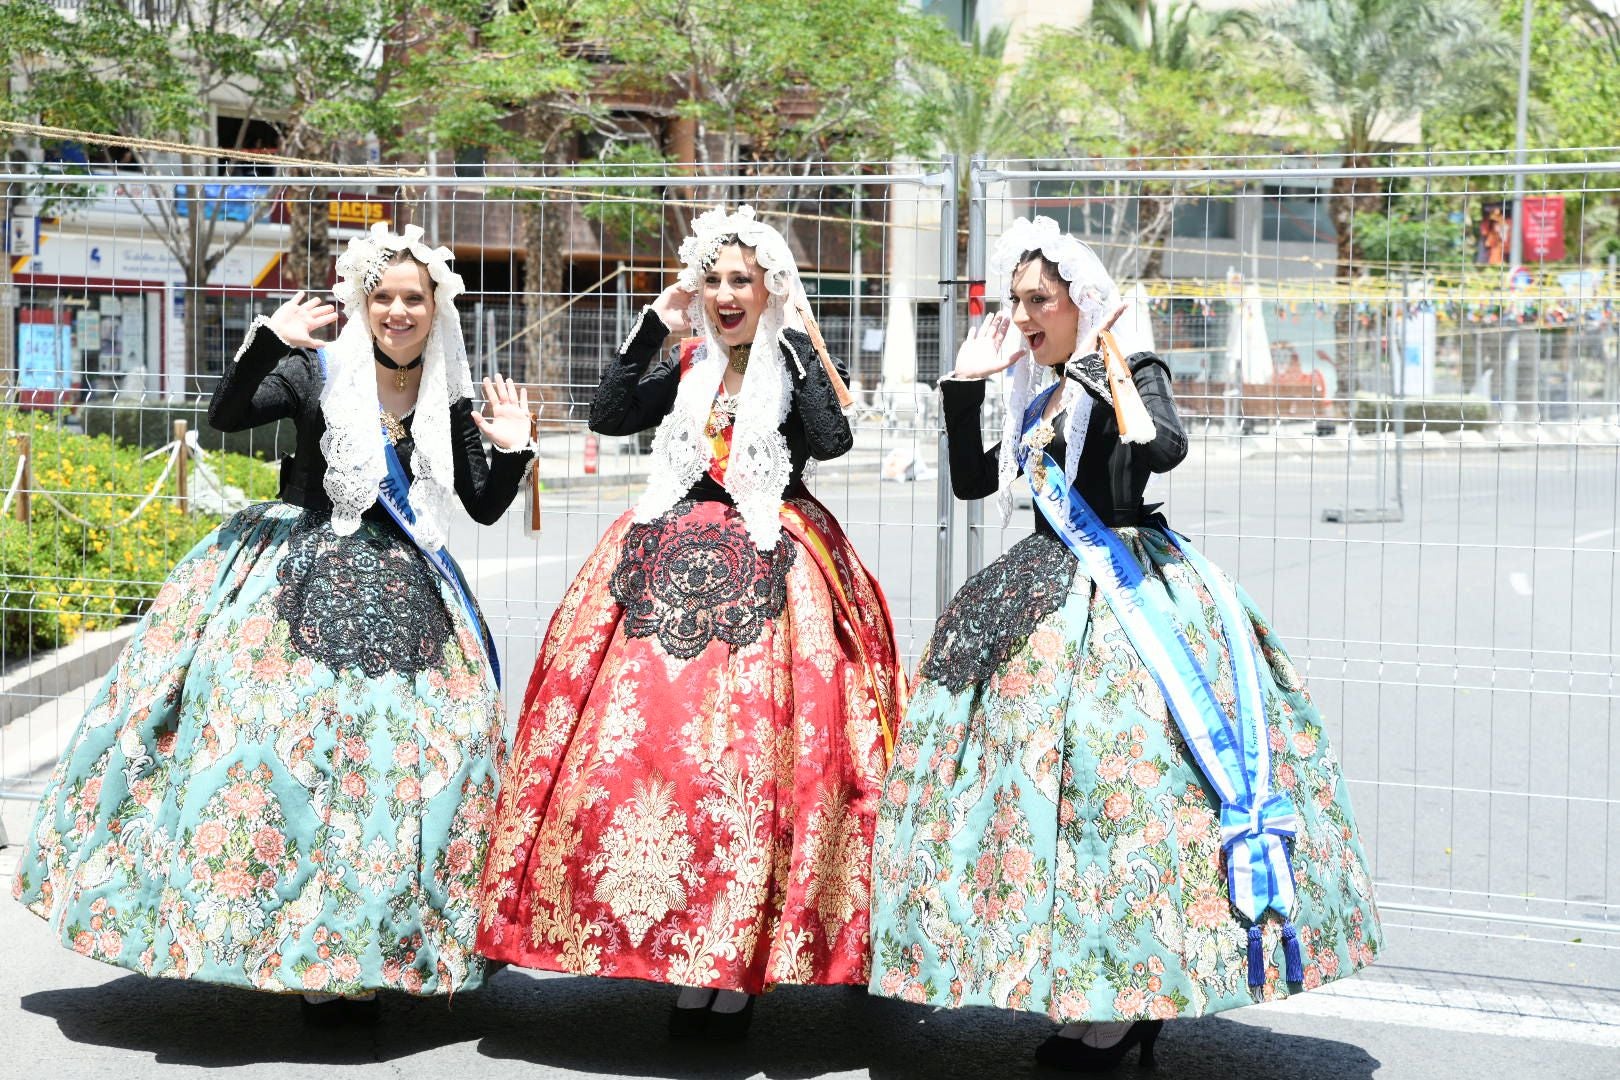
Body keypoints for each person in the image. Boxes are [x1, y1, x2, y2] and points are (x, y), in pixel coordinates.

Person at [867, 216, 1380, 1071]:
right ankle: (1077, 986)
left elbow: (1162, 452)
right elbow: (970, 481)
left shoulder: (1130, 370)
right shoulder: (1036, 390)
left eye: (1040, 300)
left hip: (1132, 594)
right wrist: (966, 384)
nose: (1024, 315)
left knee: (1124, 796)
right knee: (1037, 802)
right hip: (1041, 592)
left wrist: (1110, 368)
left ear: (1081, 302)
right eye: (1015, 301)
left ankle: (1128, 1000)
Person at [12, 222, 535, 1021]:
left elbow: (483, 505)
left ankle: (383, 945)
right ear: (361, 301)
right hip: (294, 571)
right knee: (273, 754)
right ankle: (294, 951)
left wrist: (516, 450)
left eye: (412, 299)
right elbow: (226, 415)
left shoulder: (447, 398)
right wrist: (266, 339)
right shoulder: (312, 368)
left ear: (436, 308)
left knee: (426, 762)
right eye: (382, 297)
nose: (397, 311)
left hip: (405, 594)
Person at [476, 205, 903, 1039]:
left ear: (769, 286)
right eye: (713, 279)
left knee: (751, 768)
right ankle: (681, 956)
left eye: (741, 279)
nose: (725, 293)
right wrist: (653, 323)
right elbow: (606, 414)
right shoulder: (683, 362)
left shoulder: (789, 360)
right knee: (654, 762)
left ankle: (736, 965)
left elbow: (834, 437)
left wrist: (802, 331)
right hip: (660, 568)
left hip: (776, 565)